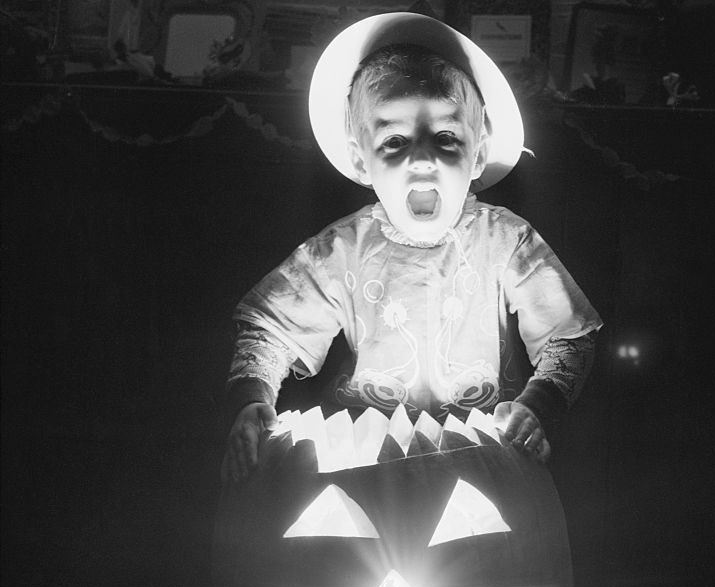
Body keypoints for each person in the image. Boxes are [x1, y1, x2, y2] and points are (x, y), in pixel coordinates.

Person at [222, 13, 602, 482]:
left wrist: (537, 406)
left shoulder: (507, 242)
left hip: (484, 452)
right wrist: (253, 400)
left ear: (478, 151)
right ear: (360, 159)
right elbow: (271, 329)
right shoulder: (341, 250)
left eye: (445, 137)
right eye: (395, 140)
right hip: (371, 459)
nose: (422, 158)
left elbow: (569, 335)